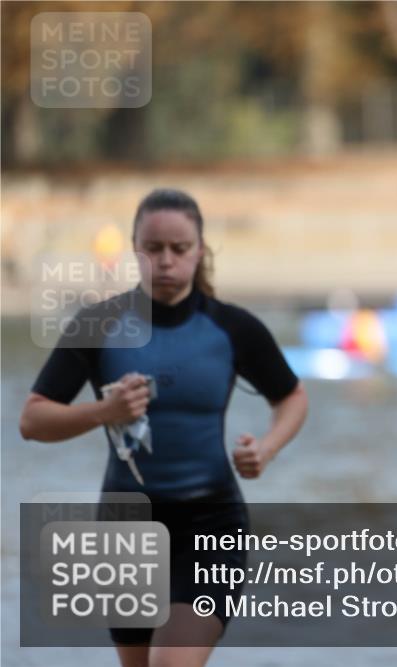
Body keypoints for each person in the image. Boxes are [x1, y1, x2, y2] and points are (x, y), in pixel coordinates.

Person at [19, 189, 309, 667]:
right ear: (135, 249)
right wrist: (104, 411)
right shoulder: (99, 324)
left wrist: (268, 448)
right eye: (153, 248)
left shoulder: (233, 329)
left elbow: (292, 397)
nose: (167, 260)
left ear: (200, 250)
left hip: (211, 523)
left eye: (180, 248)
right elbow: (33, 420)